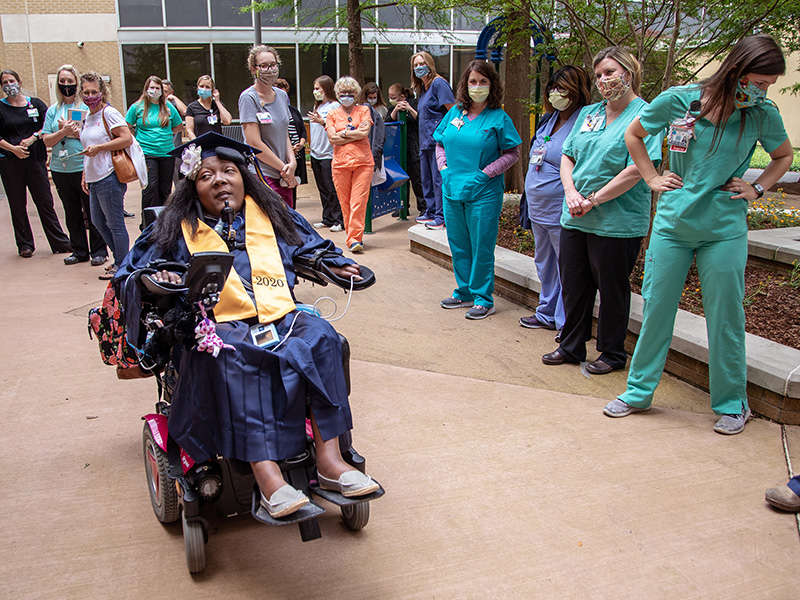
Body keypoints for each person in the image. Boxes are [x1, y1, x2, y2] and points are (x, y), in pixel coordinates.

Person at [116, 132, 379, 518]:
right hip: (218, 324)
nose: (220, 180)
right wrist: (161, 279)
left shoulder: (271, 214)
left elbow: (308, 245)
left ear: (244, 177)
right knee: (231, 354)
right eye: (206, 175)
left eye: (228, 171)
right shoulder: (176, 229)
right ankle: (268, 477)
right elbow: (136, 268)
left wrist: (332, 264)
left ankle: (329, 460)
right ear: (193, 188)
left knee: (324, 337)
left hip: (279, 316)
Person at [604, 35, 793, 435]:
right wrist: (652, 176)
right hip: (673, 227)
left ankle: (731, 404)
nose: (761, 92)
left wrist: (757, 188)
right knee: (656, 309)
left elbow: (783, 156)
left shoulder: (762, 112)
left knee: (726, 316)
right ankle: (637, 393)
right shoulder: (678, 100)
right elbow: (634, 135)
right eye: (758, 82)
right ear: (737, 70)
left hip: (724, 230)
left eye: (768, 86)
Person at [541, 47, 663, 374]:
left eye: (609, 72)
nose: (603, 80)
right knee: (575, 284)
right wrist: (570, 192)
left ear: (629, 72)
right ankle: (571, 346)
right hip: (576, 214)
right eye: (598, 75)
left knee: (612, 289)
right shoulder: (589, 113)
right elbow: (567, 155)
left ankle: (611, 353)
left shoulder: (646, 115)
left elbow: (638, 168)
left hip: (616, 220)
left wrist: (593, 199)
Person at [433, 60, 521, 320]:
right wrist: (444, 169)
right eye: (473, 81)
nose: (478, 86)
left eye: (483, 81)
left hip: (483, 191)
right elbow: (440, 143)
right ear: (465, 84)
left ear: (492, 85)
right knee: (458, 243)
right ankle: (464, 291)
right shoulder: (455, 114)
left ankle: (484, 298)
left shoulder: (498, 118)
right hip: (452, 188)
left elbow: (513, 152)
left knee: (481, 245)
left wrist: (486, 173)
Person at [518, 66, 592, 334]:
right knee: (544, 263)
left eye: (563, 89)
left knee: (568, 268)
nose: (555, 93)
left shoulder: (585, 122)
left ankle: (565, 321)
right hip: (538, 208)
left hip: (562, 209)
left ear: (577, 91)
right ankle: (546, 311)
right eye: (553, 88)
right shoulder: (548, 120)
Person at [0, 69, 71, 258]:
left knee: (45, 202)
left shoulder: (36, 104)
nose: (9, 85)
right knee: (17, 204)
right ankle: (25, 245)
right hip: (10, 162)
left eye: (12, 81)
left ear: (19, 82)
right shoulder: (1, 108)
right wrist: (13, 148)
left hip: (35, 160)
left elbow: (46, 126)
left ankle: (59, 242)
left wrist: (33, 138)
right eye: (5, 82)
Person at [43, 64, 108, 267]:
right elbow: (47, 140)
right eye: (62, 81)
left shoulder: (84, 109)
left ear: (77, 84)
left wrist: (70, 131)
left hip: (83, 166)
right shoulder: (53, 110)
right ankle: (79, 250)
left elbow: (86, 137)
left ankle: (99, 251)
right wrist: (63, 132)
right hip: (61, 168)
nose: (66, 85)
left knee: (92, 211)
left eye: (70, 81)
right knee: (71, 211)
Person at [79, 71, 134, 280]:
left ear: (102, 92)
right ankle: (122, 257)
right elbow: (87, 147)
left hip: (109, 176)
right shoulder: (87, 116)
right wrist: (85, 173)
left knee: (115, 223)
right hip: (93, 178)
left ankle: (122, 263)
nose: (90, 96)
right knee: (97, 221)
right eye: (86, 92)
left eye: (94, 91)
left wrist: (100, 147)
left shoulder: (109, 113)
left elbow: (126, 138)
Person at [239, 45, 297, 208]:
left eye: (273, 65)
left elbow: (284, 132)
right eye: (264, 66)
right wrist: (284, 168)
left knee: (289, 225)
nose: (270, 70)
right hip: (263, 174)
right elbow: (254, 143)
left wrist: (292, 163)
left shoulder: (282, 95)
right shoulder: (249, 98)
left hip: (285, 175)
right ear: (253, 69)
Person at [326, 77, 373, 253]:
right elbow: (332, 138)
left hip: (363, 162)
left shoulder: (364, 110)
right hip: (340, 164)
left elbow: (365, 132)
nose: (347, 96)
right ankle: (352, 236)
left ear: (356, 94)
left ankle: (354, 239)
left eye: (350, 93)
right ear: (337, 94)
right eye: (343, 93)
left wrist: (342, 134)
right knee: (345, 203)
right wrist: (354, 133)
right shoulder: (332, 114)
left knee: (358, 201)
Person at [125, 75, 183, 218]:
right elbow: (126, 127)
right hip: (147, 153)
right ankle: (147, 221)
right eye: (152, 87)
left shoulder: (168, 107)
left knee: (165, 189)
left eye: (158, 88)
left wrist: (164, 134)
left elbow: (178, 126)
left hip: (166, 153)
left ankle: (162, 220)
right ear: (146, 89)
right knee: (150, 187)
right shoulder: (137, 107)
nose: (155, 91)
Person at [411, 51, 455, 229]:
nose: (419, 67)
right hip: (424, 141)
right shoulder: (422, 88)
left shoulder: (439, 84)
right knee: (426, 179)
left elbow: (452, 111)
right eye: (415, 65)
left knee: (439, 179)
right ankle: (430, 211)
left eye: (422, 63)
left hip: (437, 141)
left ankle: (441, 215)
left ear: (430, 64)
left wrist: (444, 136)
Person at [307, 75, 343, 232]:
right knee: (322, 188)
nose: (315, 92)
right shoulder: (318, 107)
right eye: (314, 88)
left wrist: (322, 121)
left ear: (326, 89)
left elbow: (337, 127)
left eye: (318, 89)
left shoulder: (335, 106)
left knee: (331, 188)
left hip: (329, 154)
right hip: (316, 153)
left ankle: (338, 219)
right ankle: (327, 218)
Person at [388, 83, 424, 213]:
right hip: (399, 148)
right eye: (390, 97)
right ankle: (402, 207)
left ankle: (423, 208)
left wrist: (409, 109)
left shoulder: (414, 103)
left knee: (417, 179)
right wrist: (395, 110)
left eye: (394, 97)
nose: (391, 99)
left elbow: (421, 120)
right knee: (401, 179)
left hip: (413, 147)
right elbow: (388, 121)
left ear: (402, 96)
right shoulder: (393, 108)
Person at [275, 78, 308, 208]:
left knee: (293, 184)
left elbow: (302, 130)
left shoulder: (293, 111)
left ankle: (292, 209)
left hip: (296, 154)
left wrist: (300, 144)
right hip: (280, 156)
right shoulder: (273, 111)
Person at [185, 75, 232, 139]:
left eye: (207, 87)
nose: (204, 89)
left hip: (218, 143)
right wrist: (197, 144)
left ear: (212, 90)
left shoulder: (217, 104)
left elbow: (227, 121)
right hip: (201, 144)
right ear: (197, 88)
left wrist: (217, 101)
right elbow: (189, 131)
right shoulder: (191, 107)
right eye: (201, 86)